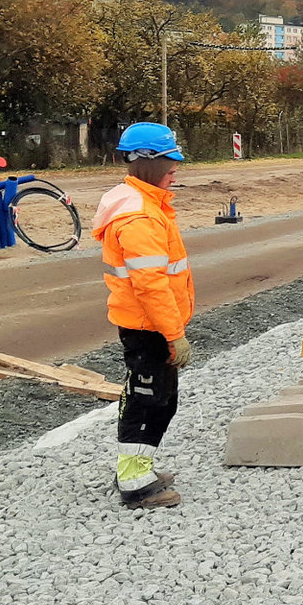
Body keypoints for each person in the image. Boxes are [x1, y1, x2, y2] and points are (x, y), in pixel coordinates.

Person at [93, 122, 195, 510]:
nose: (177, 167)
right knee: (147, 399)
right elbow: (150, 285)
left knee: (162, 399)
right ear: (147, 162)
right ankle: (134, 481)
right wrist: (174, 334)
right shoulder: (139, 217)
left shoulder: (148, 204)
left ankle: (140, 466)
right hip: (147, 326)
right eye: (170, 161)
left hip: (153, 325)